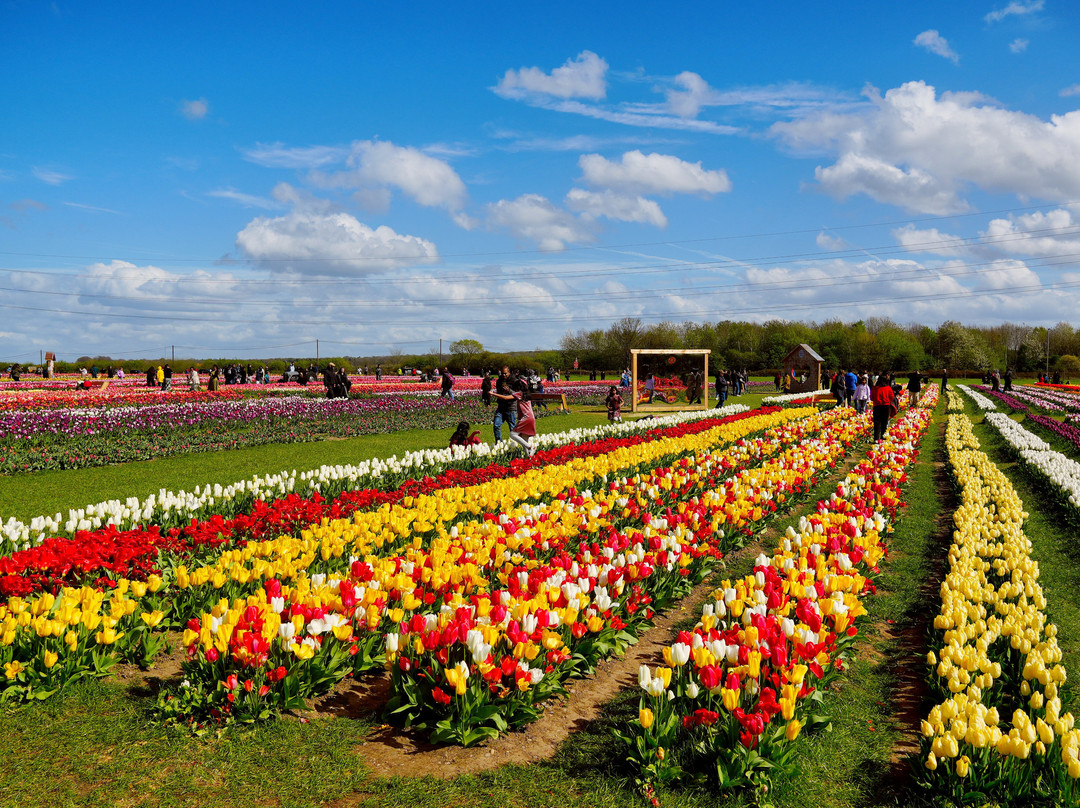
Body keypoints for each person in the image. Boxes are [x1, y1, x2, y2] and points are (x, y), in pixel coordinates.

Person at [507, 380, 537, 457]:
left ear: (517, 387)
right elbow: (513, 393)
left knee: (513, 434)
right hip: (531, 417)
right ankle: (528, 458)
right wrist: (508, 390)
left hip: (526, 418)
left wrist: (493, 394)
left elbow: (506, 398)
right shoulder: (526, 394)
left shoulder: (520, 393)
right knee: (524, 439)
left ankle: (530, 447)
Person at [492, 366, 517, 441]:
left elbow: (517, 394)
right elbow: (499, 392)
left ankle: (515, 444)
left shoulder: (514, 381)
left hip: (511, 407)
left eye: (505, 373)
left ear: (509, 372)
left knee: (512, 428)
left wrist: (509, 390)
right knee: (496, 425)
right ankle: (499, 443)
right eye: (502, 373)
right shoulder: (499, 381)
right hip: (501, 407)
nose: (503, 375)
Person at [871, 373, 897, 442]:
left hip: (877, 406)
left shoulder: (874, 388)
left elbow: (871, 397)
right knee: (884, 422)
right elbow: (892, 397)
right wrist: (887, 401)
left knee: (877, 422)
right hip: (886, 406)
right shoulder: (888, 388)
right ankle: (883, 437)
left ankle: (876, 438)